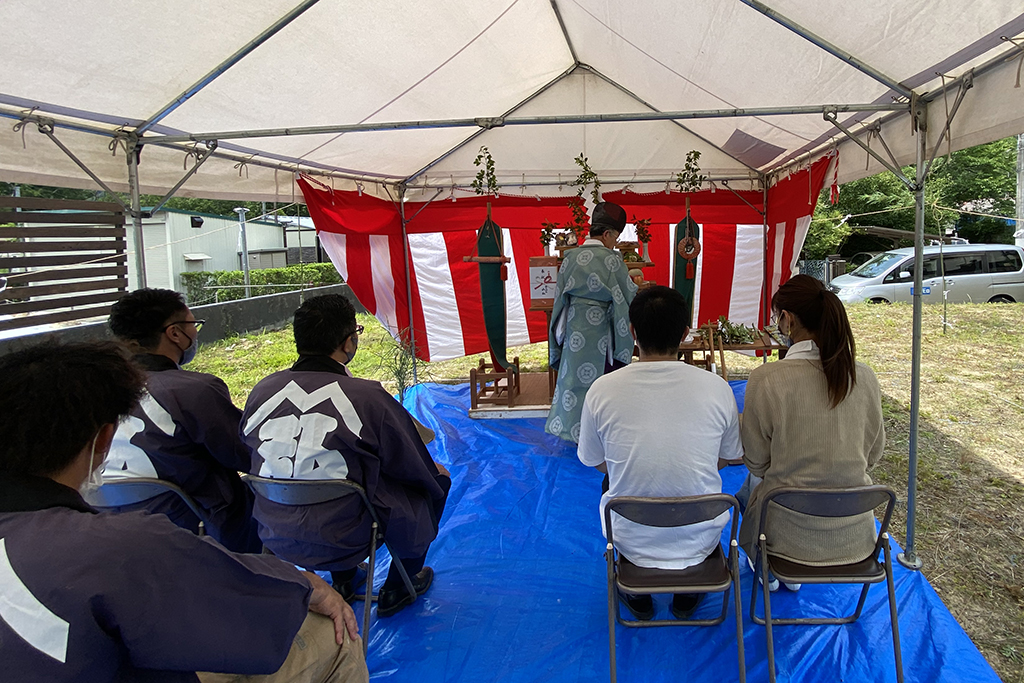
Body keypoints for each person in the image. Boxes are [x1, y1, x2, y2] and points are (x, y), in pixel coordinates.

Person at [0, 341, 367, 683]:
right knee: (336, 632)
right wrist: (307, 584)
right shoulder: (120, 547)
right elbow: (245, 454)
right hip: (202, 533)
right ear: (105, 438)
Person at [241, 294, 450, 617]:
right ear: (348, 342)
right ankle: (400, 586)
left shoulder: (262, 389)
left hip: (272, 528)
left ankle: (346, 579)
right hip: (347, 535)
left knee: (332, 479)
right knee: (436, 479)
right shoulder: (367, 397)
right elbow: (412, 465)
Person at [577, 286, 743, 620]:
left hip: (630, 534)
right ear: (684, 334)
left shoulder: (602, 389)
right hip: (702, 534)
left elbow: (595, 461)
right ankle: (689, 592)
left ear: (633, 331)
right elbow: (727, 458)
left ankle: (633, 592)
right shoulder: (718, 388)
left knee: (611, 481)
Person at [739, 274, 885, 585]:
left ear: (787, 320)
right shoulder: (864, 377)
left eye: (777, 318)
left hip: (783, 536)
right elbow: (872, 454)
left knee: (751, 485)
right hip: (855, 538)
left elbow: (756, 462)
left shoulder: (766, 379)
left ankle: (770, 569)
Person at [104, 288, 261, 553]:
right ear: (175, 333)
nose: (196, 332)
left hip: (106, 517)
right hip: (193, 526)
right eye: (193, 325)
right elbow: (245, 453)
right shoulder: (193, 390)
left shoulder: (94, 388)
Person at [546, 202, 639, 442]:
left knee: (572, 379)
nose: (615, 244)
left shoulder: (569, 258)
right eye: (615, 238)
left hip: (574, 328)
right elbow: (626, 295)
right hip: (601, 333)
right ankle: (598, 435)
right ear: (607, 234)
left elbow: (559, 300)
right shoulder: (612, 260)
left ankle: (569, 429)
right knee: (601, 381)